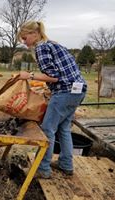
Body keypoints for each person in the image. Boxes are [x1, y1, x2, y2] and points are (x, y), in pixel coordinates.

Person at [17, 21, 87, 179]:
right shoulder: (53, 44)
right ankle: (66, 164)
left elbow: (54, 77)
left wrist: (29, 75)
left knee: (47, 129)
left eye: (24, 37)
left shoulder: (41, 48)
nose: (23, 41)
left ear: (34, 34)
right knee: (64, 129)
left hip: (65, 92)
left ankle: (43, 169)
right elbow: (61, 73)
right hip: (78, 91)